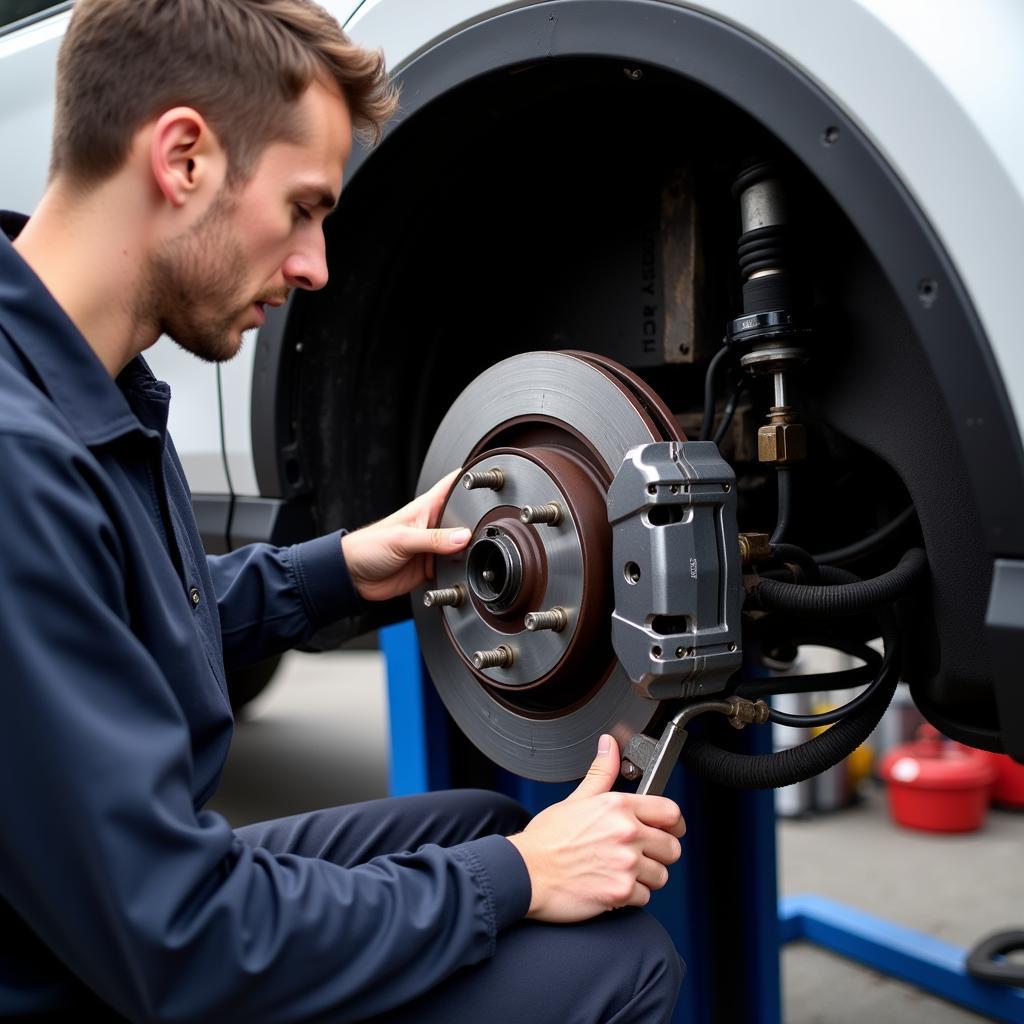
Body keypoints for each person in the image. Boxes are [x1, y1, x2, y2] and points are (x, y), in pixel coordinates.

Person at [0, 1, 686, 1021]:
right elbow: (182, 938)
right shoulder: (18, 456)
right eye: (304, 208)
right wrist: (521, 876)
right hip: (90, 963)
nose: (316, 267)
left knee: (483, 825)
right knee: (610, 961)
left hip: (79, 911)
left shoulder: (67, 381)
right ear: (183, 157)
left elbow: (104, 621)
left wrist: (337, 568)